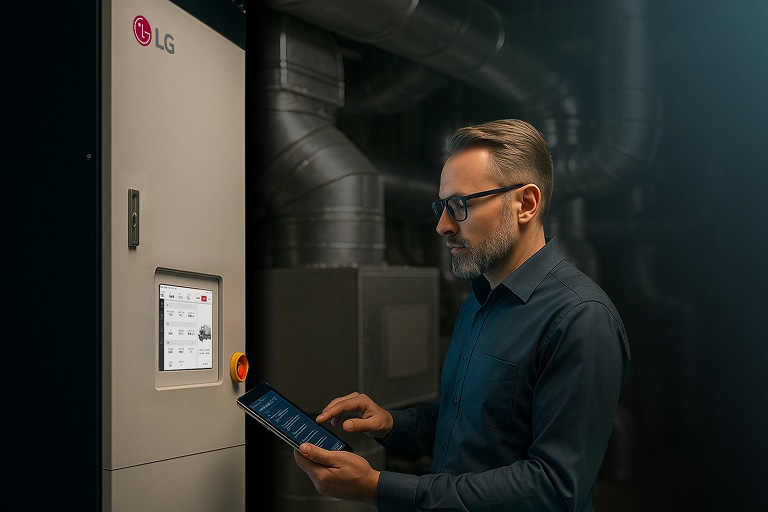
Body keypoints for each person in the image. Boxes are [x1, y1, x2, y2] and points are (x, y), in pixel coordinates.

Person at [293, 118, 630, 511]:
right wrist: (391, 423)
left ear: (526, 204)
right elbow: (467, 423)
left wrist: (377, 487)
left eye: (460, 205)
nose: (442, 226)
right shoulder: (479, 300)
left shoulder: (581, 318)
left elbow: (555, 488)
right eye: (442, 206)